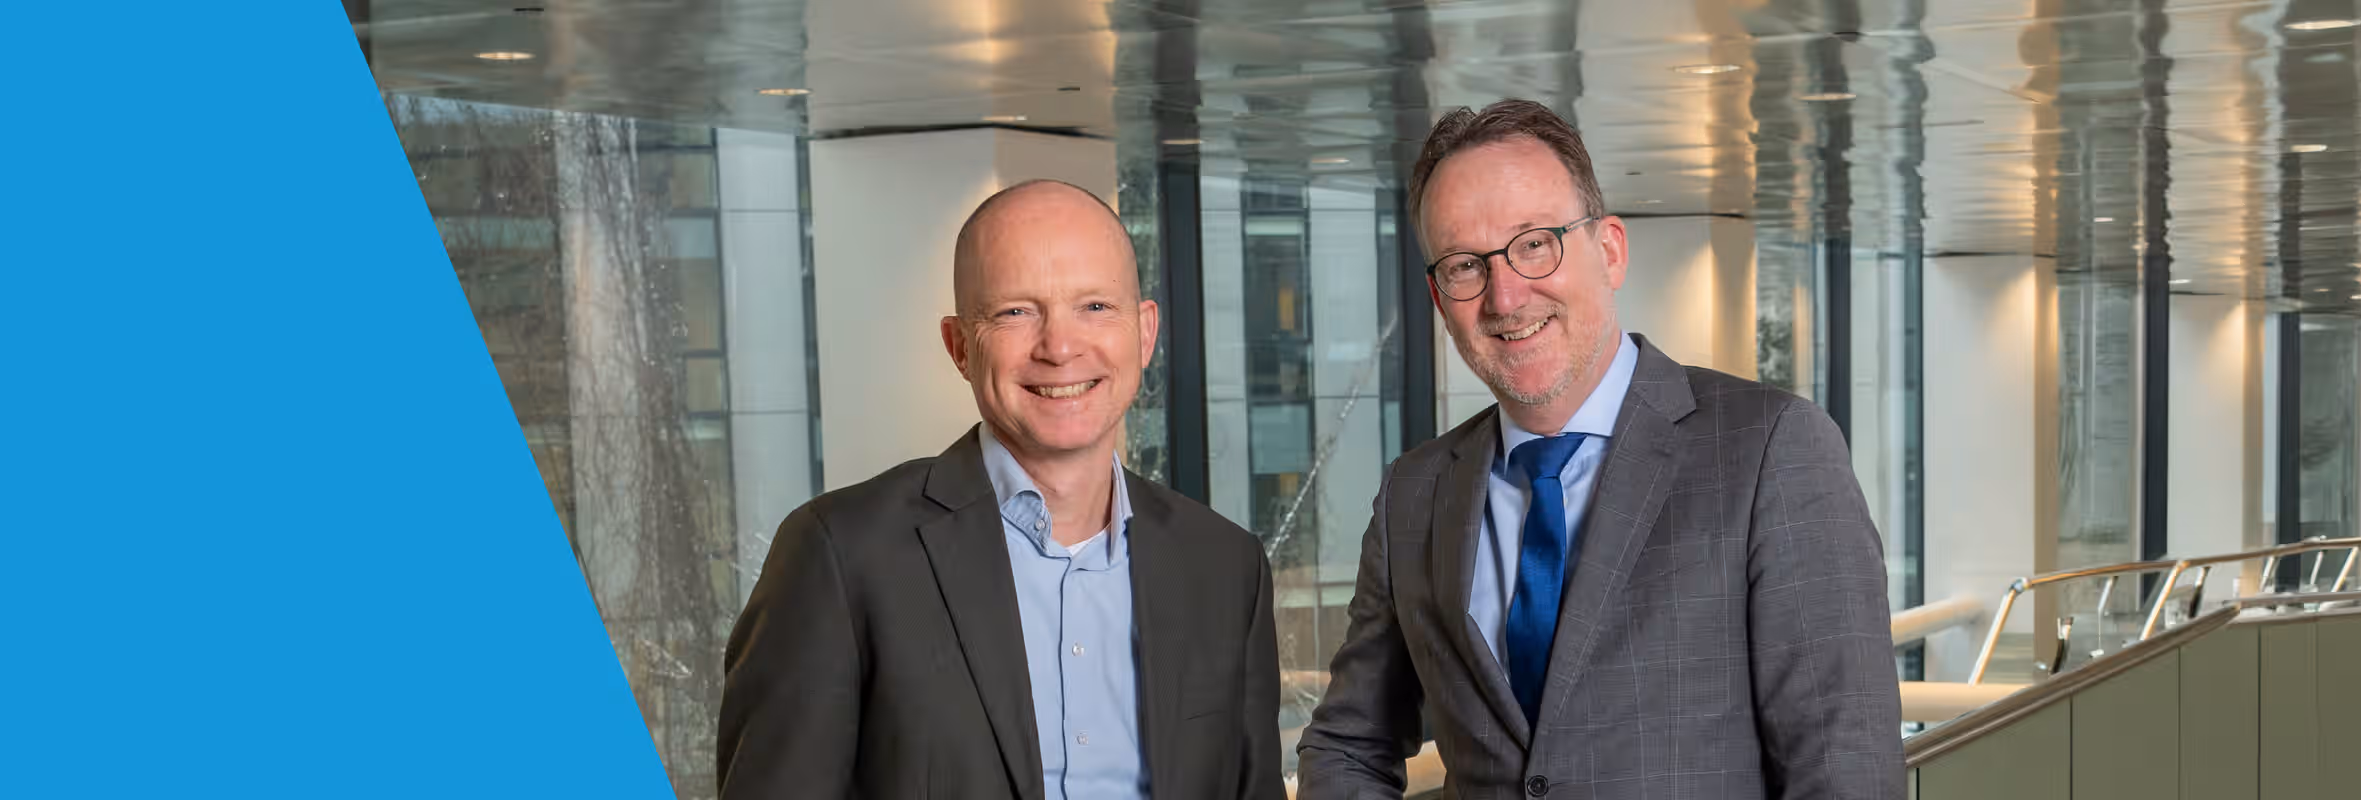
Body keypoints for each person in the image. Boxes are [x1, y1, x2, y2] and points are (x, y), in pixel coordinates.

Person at [1296, 100, 1903, 799]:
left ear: (1609, 250)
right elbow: (1349, 745)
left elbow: (1845, 770)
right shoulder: (1416, 493)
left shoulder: (1771, 449)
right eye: (1465, 265)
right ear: (1439, 298)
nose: (1505, 297)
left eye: (1534, 244)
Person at [717, 180, 1284, 800]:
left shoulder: (1225, 566)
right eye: (1016, 312)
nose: (1060, 347)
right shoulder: (841, 556)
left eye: (1095, 306)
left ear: (1145, 333)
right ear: (960, 346)